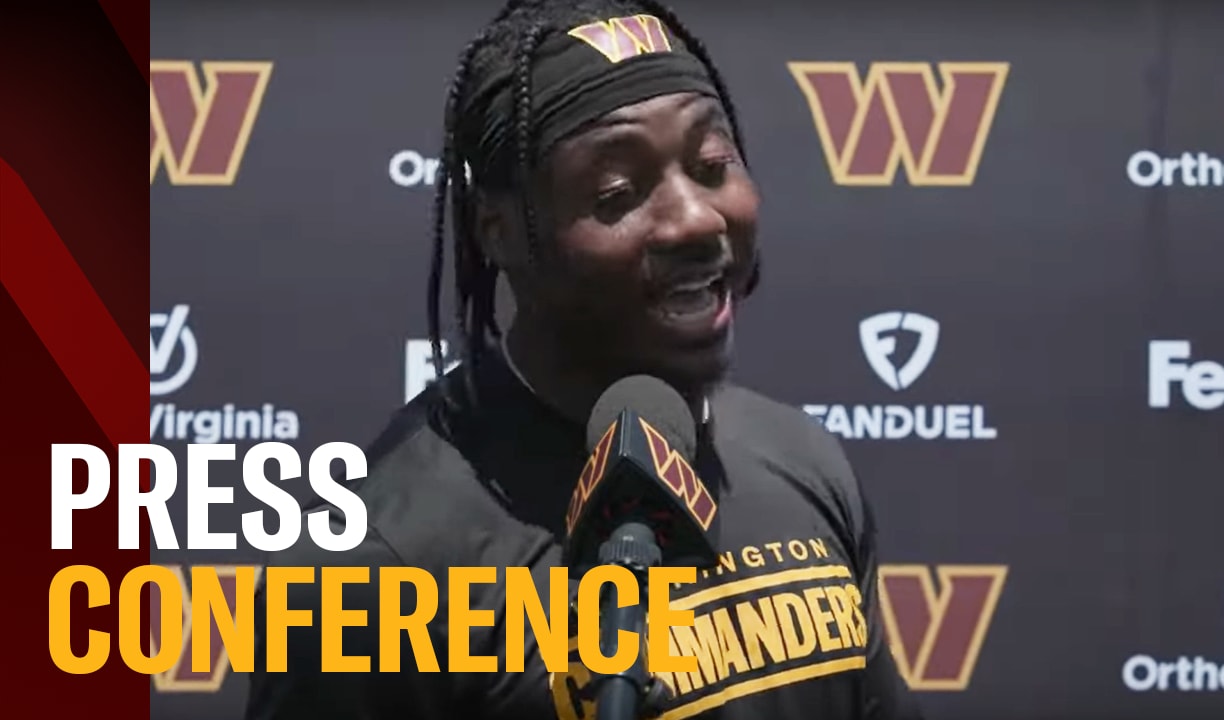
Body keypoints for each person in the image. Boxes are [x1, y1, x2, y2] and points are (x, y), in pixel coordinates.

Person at [245, 1, 923, 718]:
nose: (695, 217)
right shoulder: (372, 565)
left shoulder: (803, 460)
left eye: (712, 164)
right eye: (618, 193)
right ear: (500, 231)